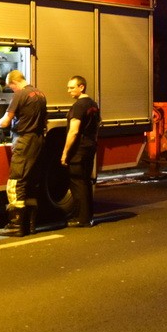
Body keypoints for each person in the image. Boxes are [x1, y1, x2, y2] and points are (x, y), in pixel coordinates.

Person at [0, 70, 46, 237]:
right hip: (38, 140)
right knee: (30, 182)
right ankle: (30, 225)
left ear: (14, 82)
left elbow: (6, 121)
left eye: (11, 87)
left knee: (16, 183)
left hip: (23, 140)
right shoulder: (40, 94)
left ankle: (16, 225)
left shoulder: (20, 95)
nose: (12, 90)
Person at [61, 75, 101, 228]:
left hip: (78, 149)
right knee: (85, 182)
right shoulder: (93, 104)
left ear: (81, 87)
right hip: (89, 147)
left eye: (72, 87)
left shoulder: (78, 106)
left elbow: (74, 131)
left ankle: (81, 218)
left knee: (78, 184)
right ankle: (88, 217)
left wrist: (65, 153)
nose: (69, 91)